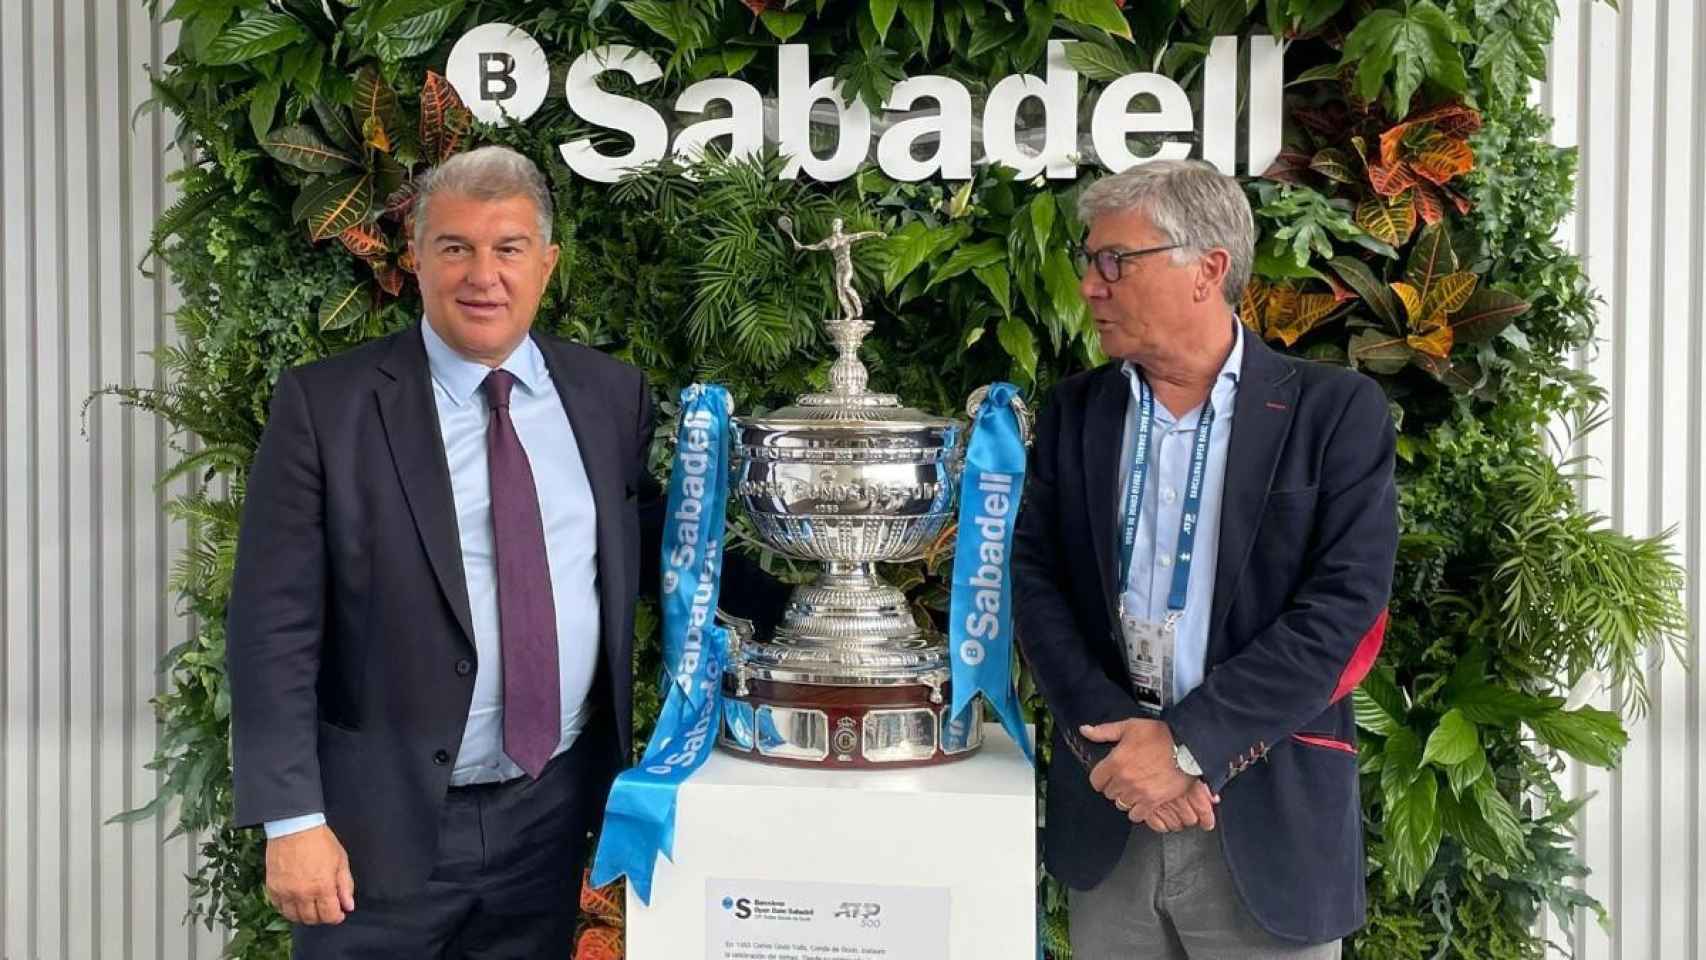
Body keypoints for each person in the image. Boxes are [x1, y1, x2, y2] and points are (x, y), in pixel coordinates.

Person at [226, 145, 782, 957]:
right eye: (455, 247)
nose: (482, 274)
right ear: (416, 260)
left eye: (508, 248)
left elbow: (656, 536)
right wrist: (293, 819)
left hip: (547, 815)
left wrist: (800, 614)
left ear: (546, 264)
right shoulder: (328, 406)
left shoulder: (606, 394)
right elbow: (271, 621)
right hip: (374, 830)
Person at [1013, 160, 1397, 958]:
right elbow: (1038, 588)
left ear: (1208, 269)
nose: (1092, 285)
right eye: (1091, 262)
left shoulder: (1333, 414)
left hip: (1263, 818)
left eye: (1116, 260)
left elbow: (1342, 612)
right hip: (1114, 813)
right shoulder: (1077, 411)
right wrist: (1124, 755)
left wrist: (1186, 746)